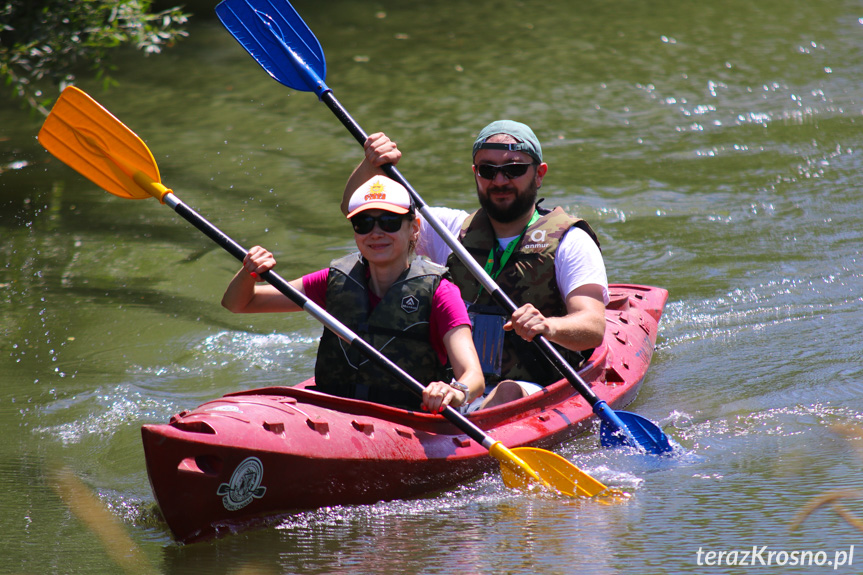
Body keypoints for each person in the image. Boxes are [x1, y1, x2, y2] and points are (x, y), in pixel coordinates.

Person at [342, 120, 609, 410]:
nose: (500, 180)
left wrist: (548, 326)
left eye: (514, 169)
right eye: (488, 170)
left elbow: (593, 326)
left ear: (539, 174)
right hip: (455, 387)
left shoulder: (571, 240)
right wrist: (371, 164)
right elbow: (358, 210)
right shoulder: (450, 231)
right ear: (475, 174)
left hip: (535, 386)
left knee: (508, 391)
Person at [222, 175, 485, 414]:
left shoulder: (440, 292)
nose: (376, 232)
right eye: (363, 223)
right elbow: (239, 303)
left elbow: (473, 376)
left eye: (390, 221)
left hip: (407, 419)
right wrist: (249, 272)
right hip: (336, 411)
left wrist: (454, 391)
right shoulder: (335, 280)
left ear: (414, 227)